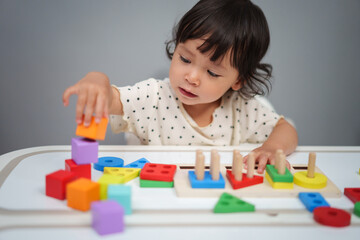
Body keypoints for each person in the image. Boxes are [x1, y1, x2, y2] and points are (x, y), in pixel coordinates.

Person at [62, 0, 298, 174]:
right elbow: (113, 98)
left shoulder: (243, 109)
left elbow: (286, 129)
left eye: (212, 72)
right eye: (185, 59)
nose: (192, 77)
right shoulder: (153, 98)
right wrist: (97, 80)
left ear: (238, 81)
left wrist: (272, 147)